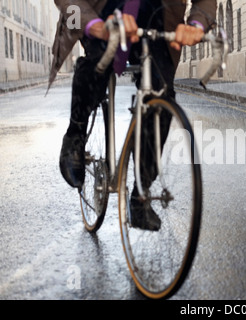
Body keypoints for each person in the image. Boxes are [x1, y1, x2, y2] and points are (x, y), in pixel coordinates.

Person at [49, 0, 217, 230]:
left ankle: (140, 195)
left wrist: (197, 25)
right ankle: (75, 134)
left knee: (161, 96)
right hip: (102, 10)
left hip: (157, 13)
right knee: (97, 63)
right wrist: (94, 25)